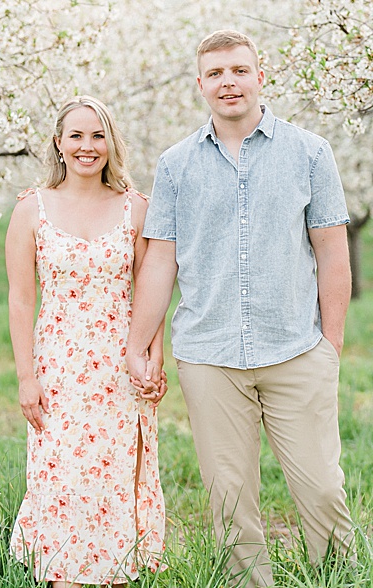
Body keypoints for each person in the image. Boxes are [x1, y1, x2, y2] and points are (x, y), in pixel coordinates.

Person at [125, 30, 353, 587]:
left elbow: (331, 252)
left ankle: (343, 578)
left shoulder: (310, 152)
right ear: (200, 84)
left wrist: (331, 346)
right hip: (210, 355)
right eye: (216, 74)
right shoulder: (176, 164)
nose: (229, 82)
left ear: (259, 74)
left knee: (322, 487)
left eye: (239, 70)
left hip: (296, 348)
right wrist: (137, 342)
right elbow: (160, 261)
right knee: (230, 498)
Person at [7, 95, 167, 586]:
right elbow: (18, 299)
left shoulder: (137, 209)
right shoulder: (31, 209)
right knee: (62, 477)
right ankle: (65, 574)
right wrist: (26, 377)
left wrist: (153, 363)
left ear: (110, 143)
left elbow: (153, 291)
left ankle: (115, 572)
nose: (87, 146)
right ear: (59, 143)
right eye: (76, 135)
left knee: (116, 479)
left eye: (97, 135)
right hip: (58, 371)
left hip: (120, 369)